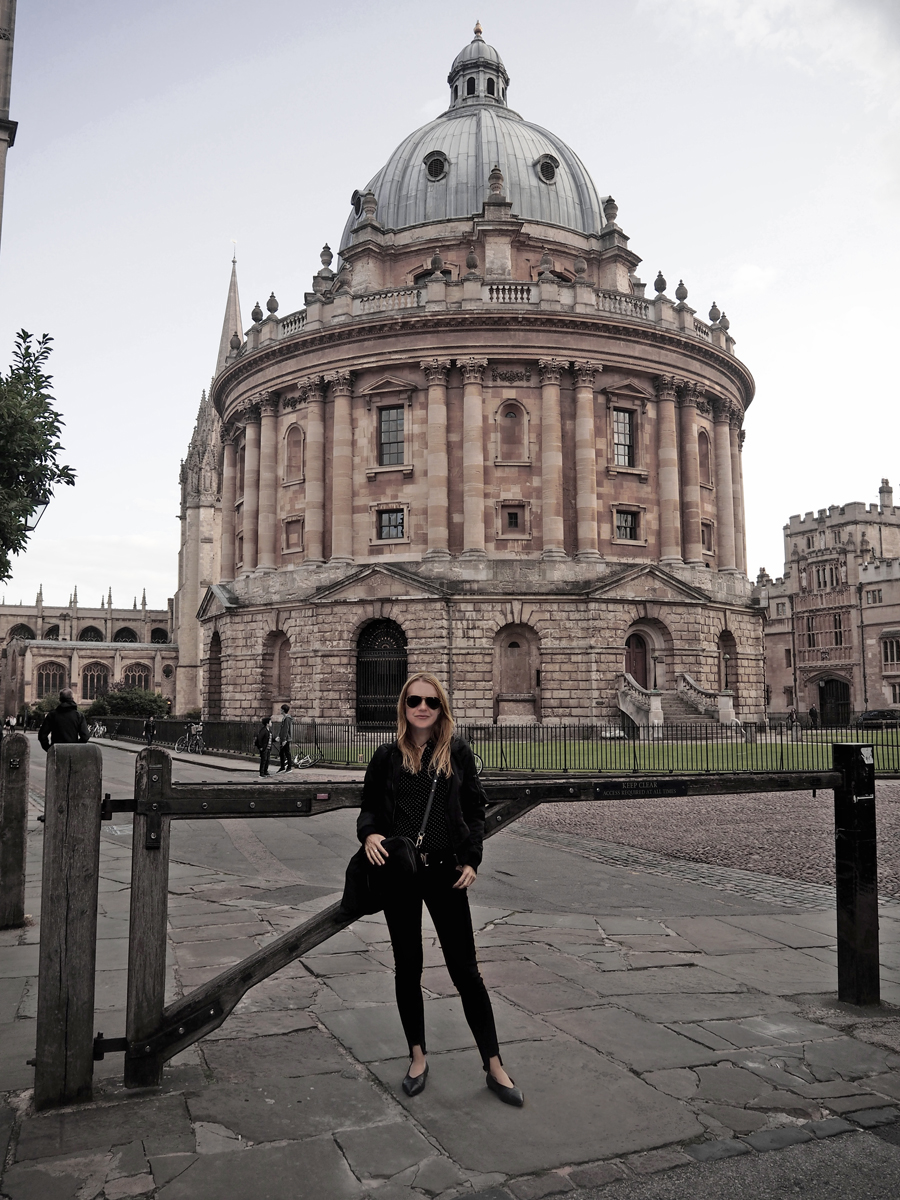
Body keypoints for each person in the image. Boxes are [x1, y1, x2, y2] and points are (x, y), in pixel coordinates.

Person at [359, 671, 524, 1107]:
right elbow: (370, 808)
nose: (422, 708)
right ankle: (417, 1057)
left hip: (444, 872)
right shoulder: (386, 754)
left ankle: (494, 1064)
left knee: (465, 970)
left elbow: (474, 810)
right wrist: (370, 836)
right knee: (407, 965)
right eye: (414, 700)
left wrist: (471, 859)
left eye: (431, 702)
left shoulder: (457, 752)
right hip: (400, 873)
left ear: (441, 708)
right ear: (404, 706)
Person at [276, 703, 293, 772]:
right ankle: (282, 767)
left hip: (286, 739)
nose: (280, 710)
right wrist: (279, 736)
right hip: (283, 738)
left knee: (287, 753)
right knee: (281, 753)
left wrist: (284, 740)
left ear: (283, 710)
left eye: (281, 709)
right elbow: (282, 729)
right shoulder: (284, 718)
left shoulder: (287, 719)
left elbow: (286, 729)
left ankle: (289, 767)